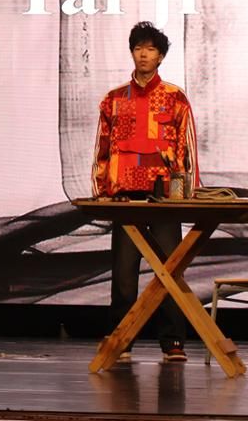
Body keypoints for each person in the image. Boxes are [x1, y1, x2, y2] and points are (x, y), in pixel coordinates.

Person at [92, 22, 198, 362]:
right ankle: (121, 340)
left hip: (164, 198)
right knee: (124, 275)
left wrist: (186, 194)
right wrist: (102, 190)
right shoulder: (113, 99)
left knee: (169, 271)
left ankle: (173, 341)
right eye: (138, 48)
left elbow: (187, 149)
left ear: (161, 56)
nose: (143, 54)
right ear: (132, 52)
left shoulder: (174, 97)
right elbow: (102, 149)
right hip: (125, 198)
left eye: (151, 49)